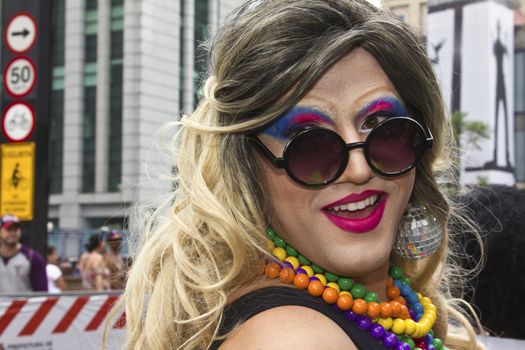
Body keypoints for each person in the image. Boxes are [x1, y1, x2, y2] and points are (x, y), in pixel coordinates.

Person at [122, 1, 484, 349]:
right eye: (306, 140)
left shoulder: (382, 306)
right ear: (247, 166)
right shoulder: (294, 340)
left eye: (380, 126)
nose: (358, 170)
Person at [0, 214, 48, 292]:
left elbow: (42, 293)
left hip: (25, 304)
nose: (13, 233)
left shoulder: (33, 258)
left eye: (16, 229)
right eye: (8, 229)